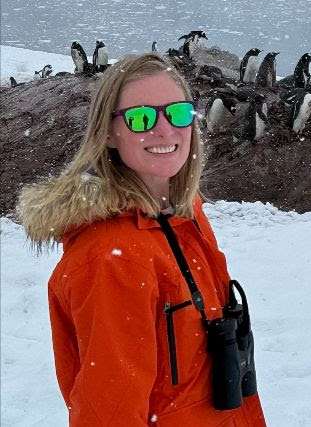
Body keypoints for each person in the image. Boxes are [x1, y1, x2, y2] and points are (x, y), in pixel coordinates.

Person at [18, 53, 266, 426]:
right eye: (140, 118)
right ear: (108, 134)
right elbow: (110, 414)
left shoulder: (184, 213)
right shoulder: (112, 258)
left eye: (178, 113)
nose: (165, 130)